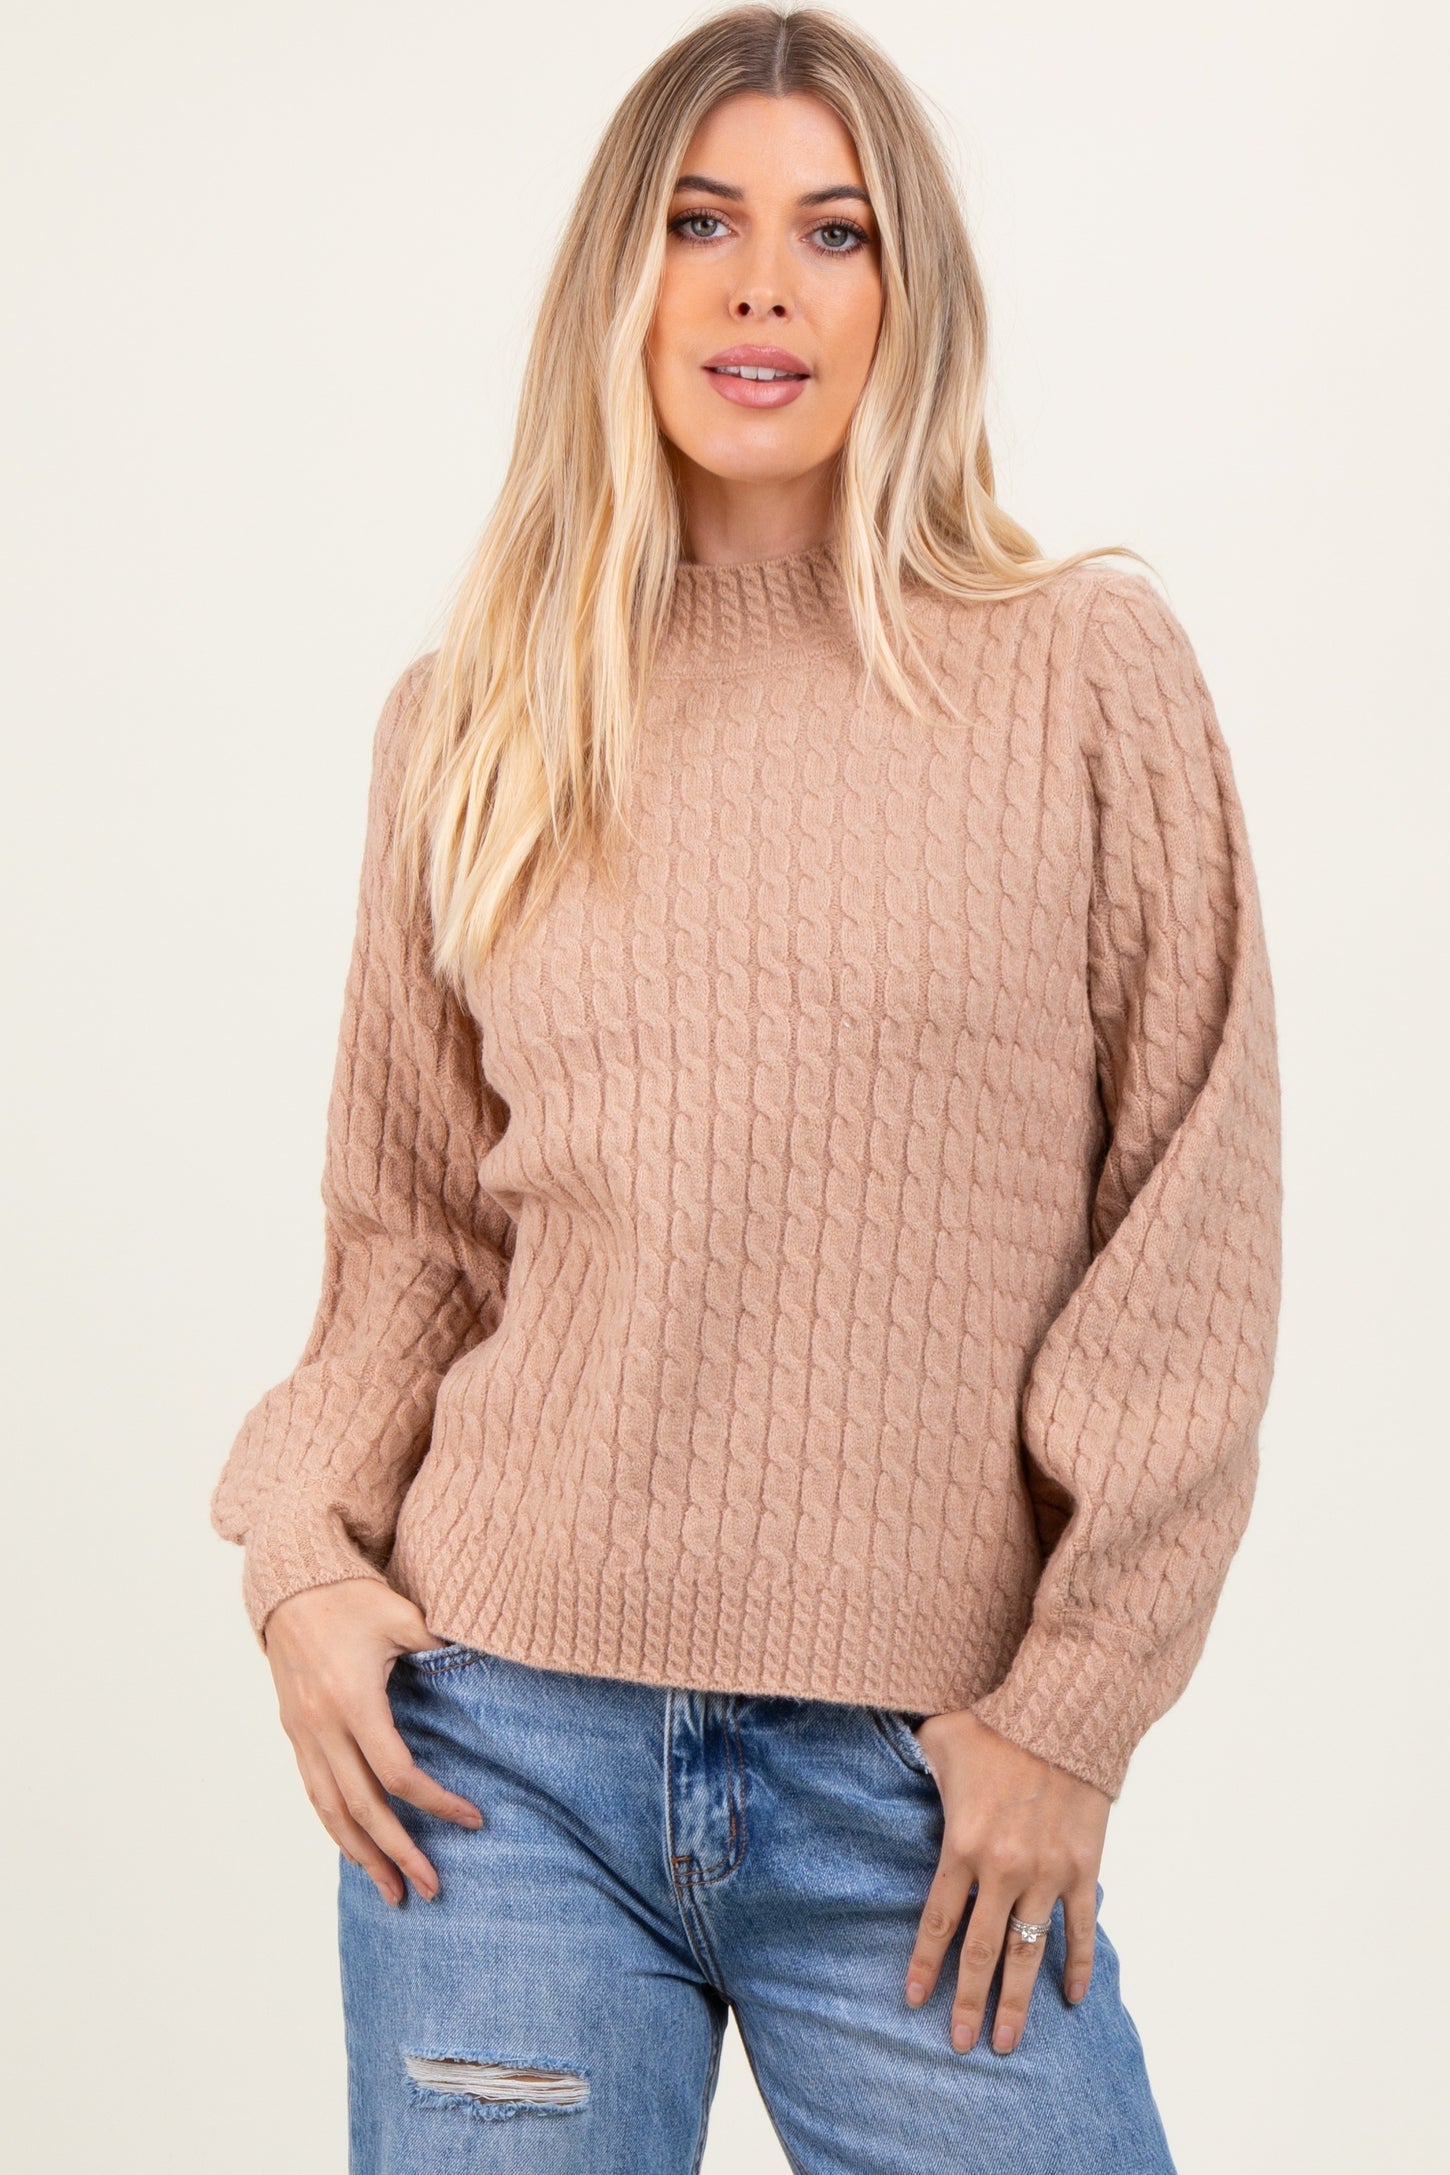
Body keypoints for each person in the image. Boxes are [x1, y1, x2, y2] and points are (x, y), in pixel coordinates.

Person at [210, 8, 1282, 2170]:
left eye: (831, 231)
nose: (761, 287)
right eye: (699, 225)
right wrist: (300, 1556)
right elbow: (411, 1237)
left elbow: (1190, 1224)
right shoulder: (474, 716)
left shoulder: (1083, 673)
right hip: (497, 1759)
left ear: (908, 292)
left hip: (921, 1783)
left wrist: (1072, 1706)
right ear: (620, 280)